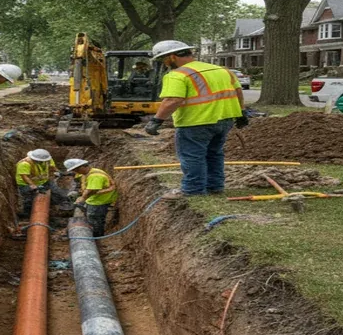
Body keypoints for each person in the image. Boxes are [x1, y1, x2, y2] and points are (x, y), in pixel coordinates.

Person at [142, 40, 247, 196]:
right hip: (225, 119)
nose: (163, 63)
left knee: (192, 156)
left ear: (172, 57)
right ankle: (215, 186)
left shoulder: (178, 75)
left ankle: (193, 190)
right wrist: (241, 113)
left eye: (163, 59)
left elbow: (173, 100)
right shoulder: (222, 70)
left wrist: (156, 121)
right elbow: (238, 91)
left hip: (196, 122)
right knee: (214, 153)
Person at [64, 158, 118, 237]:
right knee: (89, 214)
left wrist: (82, 198)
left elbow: (91, 191)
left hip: (100, 201)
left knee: (94, 218)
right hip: (94, 198)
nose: (75, 172)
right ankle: (89, 224)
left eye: (76, 170)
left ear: (82, 167)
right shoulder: (88, 172)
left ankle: (97, 236)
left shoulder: (95, 176)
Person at [15, 149, 59, 218]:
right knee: (29, 198)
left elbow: (52, 167)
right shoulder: (25, 163)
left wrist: (58, 172)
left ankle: (51, 206)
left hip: (43, 181)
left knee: (53, 192)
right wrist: (33, 185)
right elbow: (24, 176)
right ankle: (27, 213)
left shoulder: (47, 159)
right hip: (25, 183)